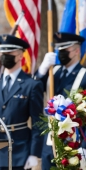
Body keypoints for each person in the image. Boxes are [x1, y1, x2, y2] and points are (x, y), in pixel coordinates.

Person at [0, 34, 44, 170]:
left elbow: (38, 122)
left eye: (9, 52)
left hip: (20, 151)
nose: (5, 56)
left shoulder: (31, 85)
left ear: (20, 56)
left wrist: (34, 153)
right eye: (3, 52)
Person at [34, 32, 86, 170]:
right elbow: (33, 90)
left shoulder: (84, 75)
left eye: (65, 50)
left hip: (74, 141)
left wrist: (84, 147)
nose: (61, 53)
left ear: (76, 51)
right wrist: (41, 70)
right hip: (50, 140)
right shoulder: (53, 71)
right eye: (59, 50)